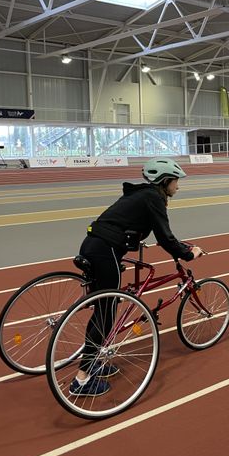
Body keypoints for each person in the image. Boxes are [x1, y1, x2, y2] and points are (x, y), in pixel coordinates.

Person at [70, 157, 205, 396]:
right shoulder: (153, 198)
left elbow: (124, 221)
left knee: (103, 308)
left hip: (92, 245)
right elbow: (165, 237)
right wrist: (188, 253)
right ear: (165, 181)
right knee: (106, 313)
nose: (178, 186)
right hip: (105, 251)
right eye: (176, 181)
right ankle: (82, 380)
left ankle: (94, 362)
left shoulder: (139, 195)